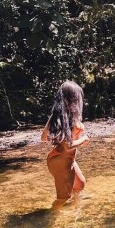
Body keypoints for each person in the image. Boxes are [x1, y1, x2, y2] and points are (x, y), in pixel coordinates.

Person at [41, 80, 89, 209]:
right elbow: (68, 146)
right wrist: (83, 139)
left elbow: (44, 137)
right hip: (60, 161)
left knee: (80, 185)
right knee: (63, 198)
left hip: (65, 158)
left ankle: (74, 212)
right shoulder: (62, 118)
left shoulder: (62, 116)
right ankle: (51, 219)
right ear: (72, 99)